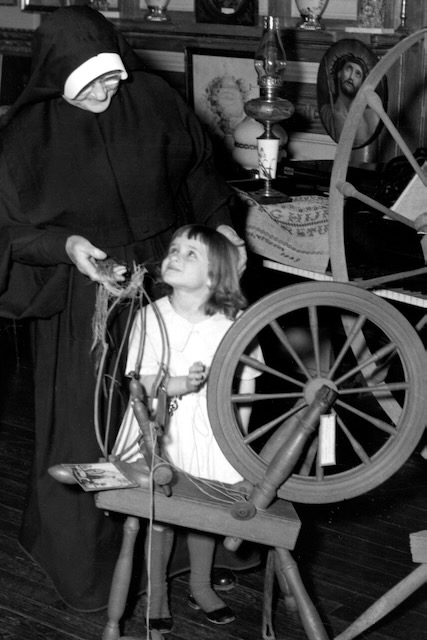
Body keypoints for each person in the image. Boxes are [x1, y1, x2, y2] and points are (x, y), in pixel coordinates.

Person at [0, 5, 250, 612]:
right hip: (89, 295)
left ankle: (189, 554)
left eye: (113, 74)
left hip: (171, 284)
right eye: (92, 81)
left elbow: (198, 174)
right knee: (93, 426)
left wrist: (222, 229)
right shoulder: (22, 138)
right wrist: (67, 245)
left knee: (182, 422)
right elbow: (7, 230)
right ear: (57, 77)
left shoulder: (155, 100)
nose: (111, 87)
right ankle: (85, 563)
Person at [116, 224, 261, 632]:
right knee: (160, 513)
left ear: (214, 276)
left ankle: (200, 584)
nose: (175, 255)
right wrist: (175, 384)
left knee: (206, 510)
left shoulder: (235, 322)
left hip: (213, 432)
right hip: (159, 431)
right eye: (174, 249)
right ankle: (157, 593)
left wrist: (240, 444)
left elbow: (249, 384)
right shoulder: (150, 316)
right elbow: (136, 382)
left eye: (190, 253)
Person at [320, 52, 380, 147]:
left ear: (361, 84)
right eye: (348, 69)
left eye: (358, 74)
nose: (351, 77)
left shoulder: (371, 117)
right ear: (339, 73)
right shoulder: (325, 112)